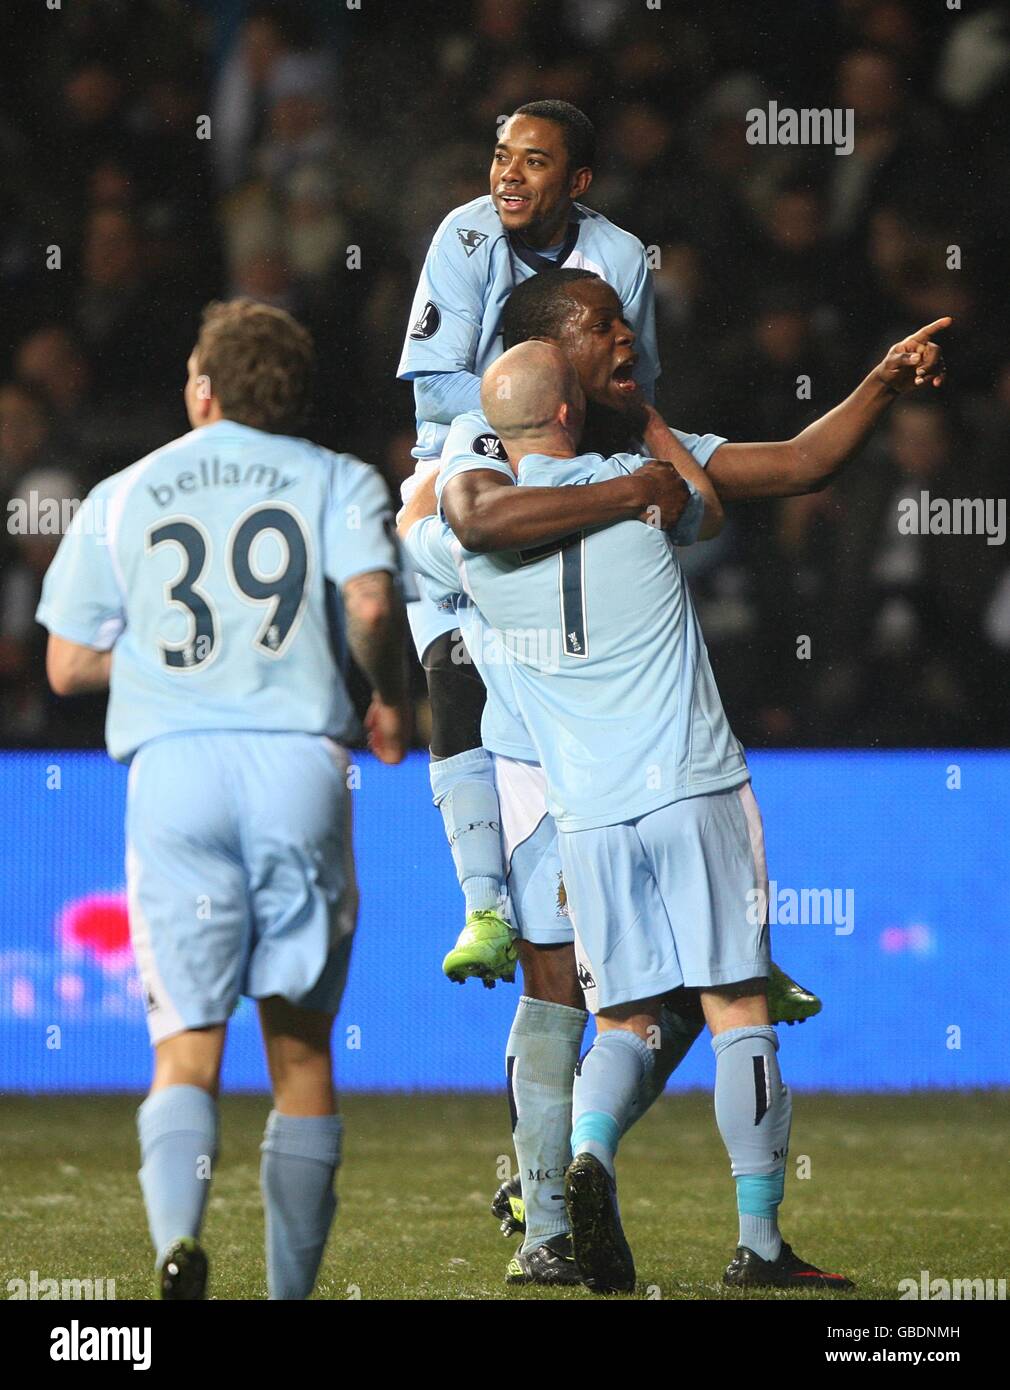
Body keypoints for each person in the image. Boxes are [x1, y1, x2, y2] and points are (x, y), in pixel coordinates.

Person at [407, 268, 948, 1284]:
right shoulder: (640, 492)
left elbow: (791, 460)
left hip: (584, 801)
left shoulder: (502, 505)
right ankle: (753, 1242)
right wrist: (644, 473)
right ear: (560, 374)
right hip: (673, 778)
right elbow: (700, 503)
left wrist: (870, 384)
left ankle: (571, 1174)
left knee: (619, 1014)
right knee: (729, 1000)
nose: (627, 335)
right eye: (606, 323)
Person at [36, 299, 410, 1300]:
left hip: (175, 770)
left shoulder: (122, 491)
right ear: (289, 392)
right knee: (298, 1046)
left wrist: (175, 666)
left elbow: (68, 663)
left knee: (186, 1042)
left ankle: (175, 1242)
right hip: (296, 763)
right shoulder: (337, 477)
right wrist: (390, 699)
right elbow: (371, 605)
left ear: (203, 388)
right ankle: (288, 1295)